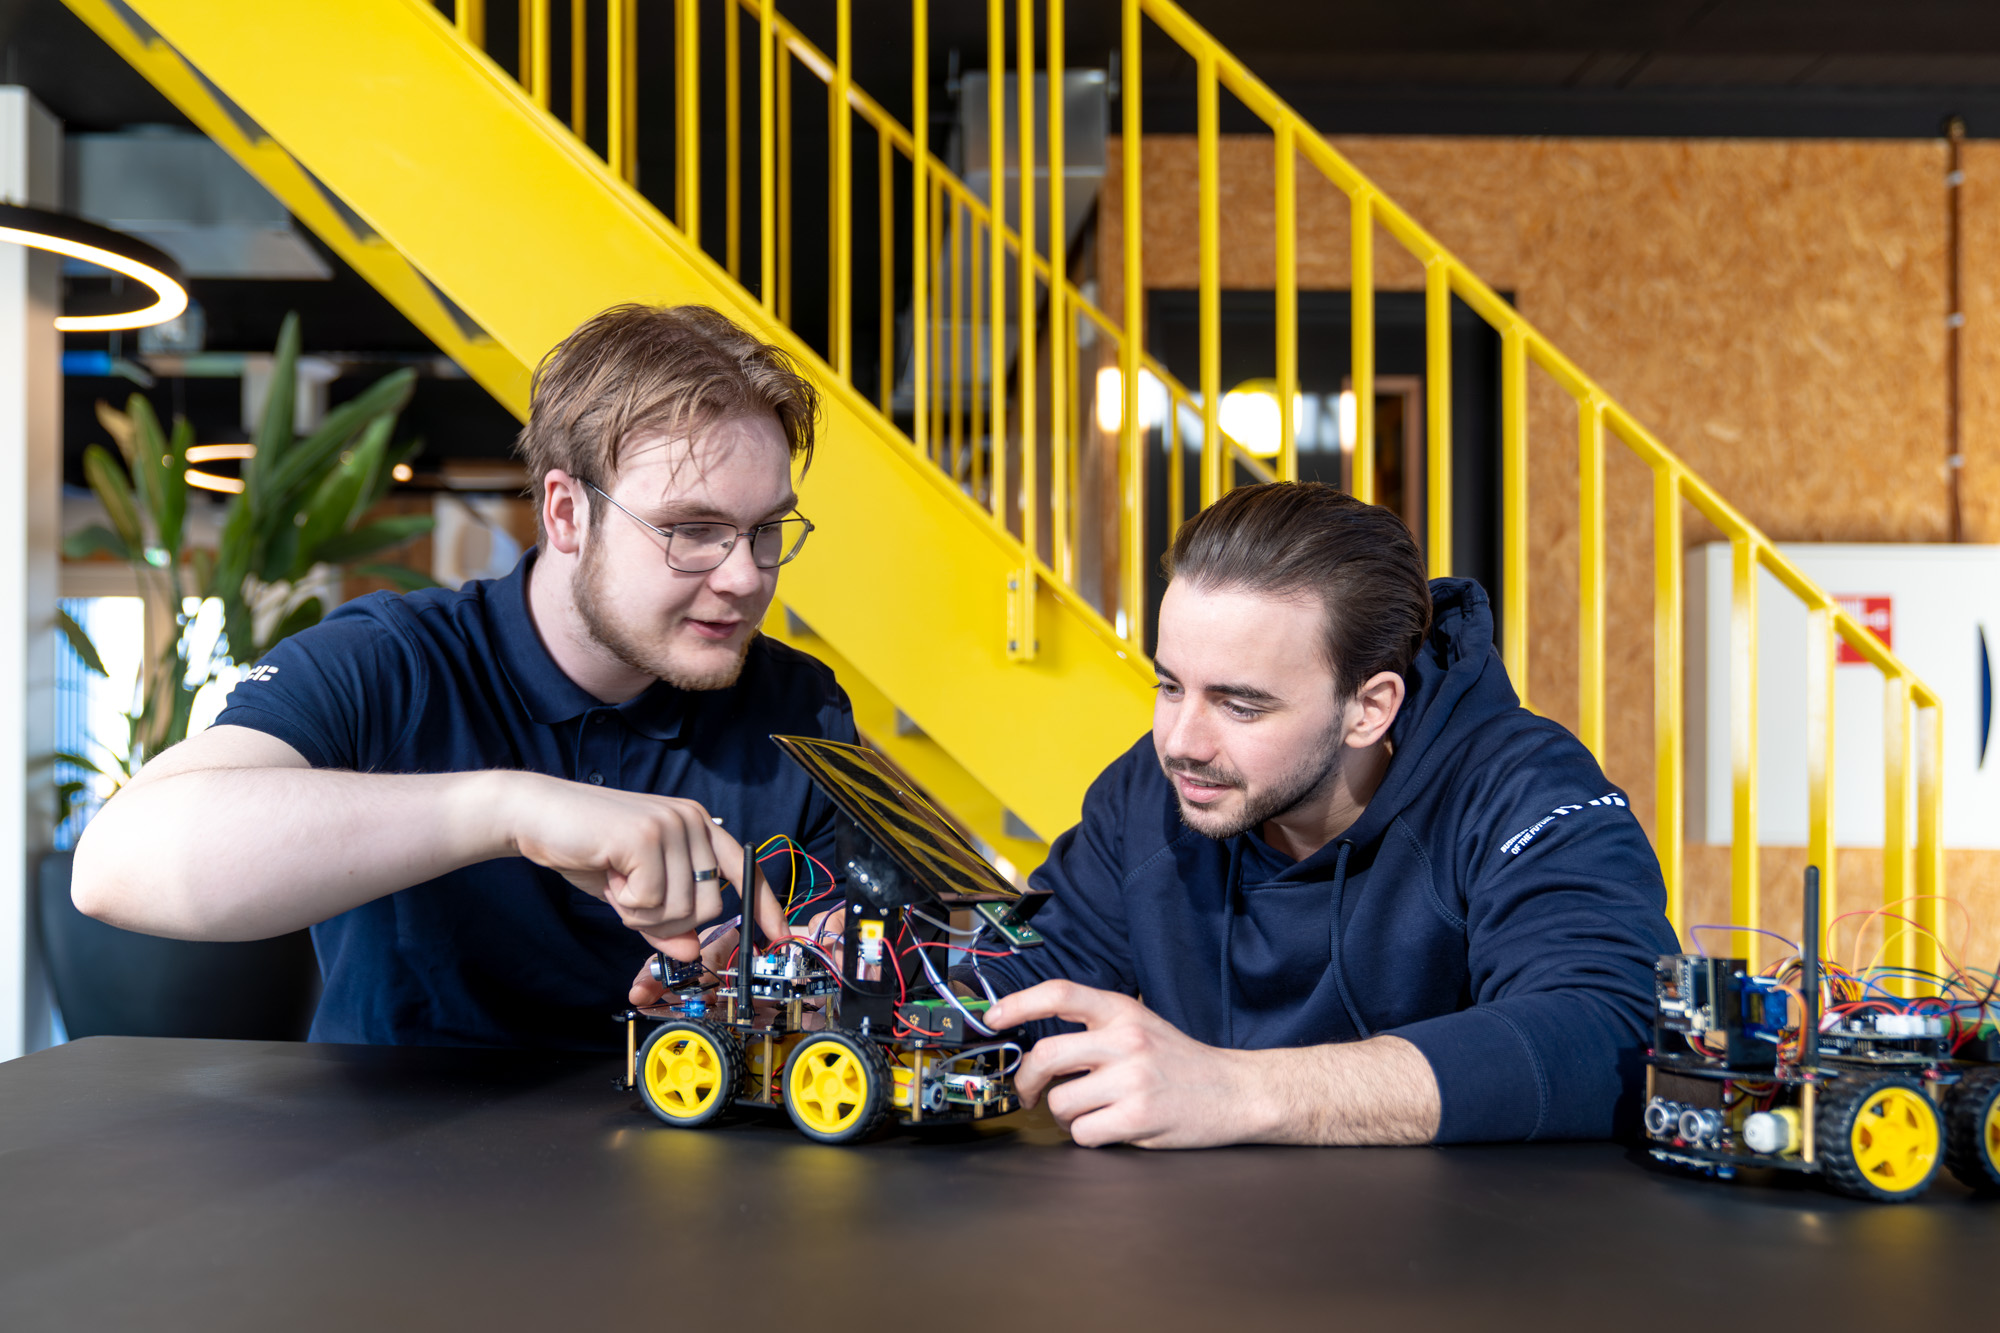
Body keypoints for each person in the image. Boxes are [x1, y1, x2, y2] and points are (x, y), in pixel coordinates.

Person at [71, 304, 850, 1051]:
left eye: (766, 529)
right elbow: (115, 865)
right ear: (566, 513)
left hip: (689, 1133)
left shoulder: (798, 705)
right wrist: (512, 809)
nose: (747, 577)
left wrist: (805, 984)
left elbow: (863, 959)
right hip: (388, 1141)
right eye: (693, 529)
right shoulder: (391, 660)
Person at [971, 482, 1677, 1148]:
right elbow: (1021, 981)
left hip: (1462, 1235)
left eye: (1240, 705)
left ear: (1369, 708)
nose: (1181, 743)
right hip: (1197, 1233)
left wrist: (1238, 1090)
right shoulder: (1153, 793)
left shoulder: (1518, 783)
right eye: (1170, 685)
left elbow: (1613, 1029)